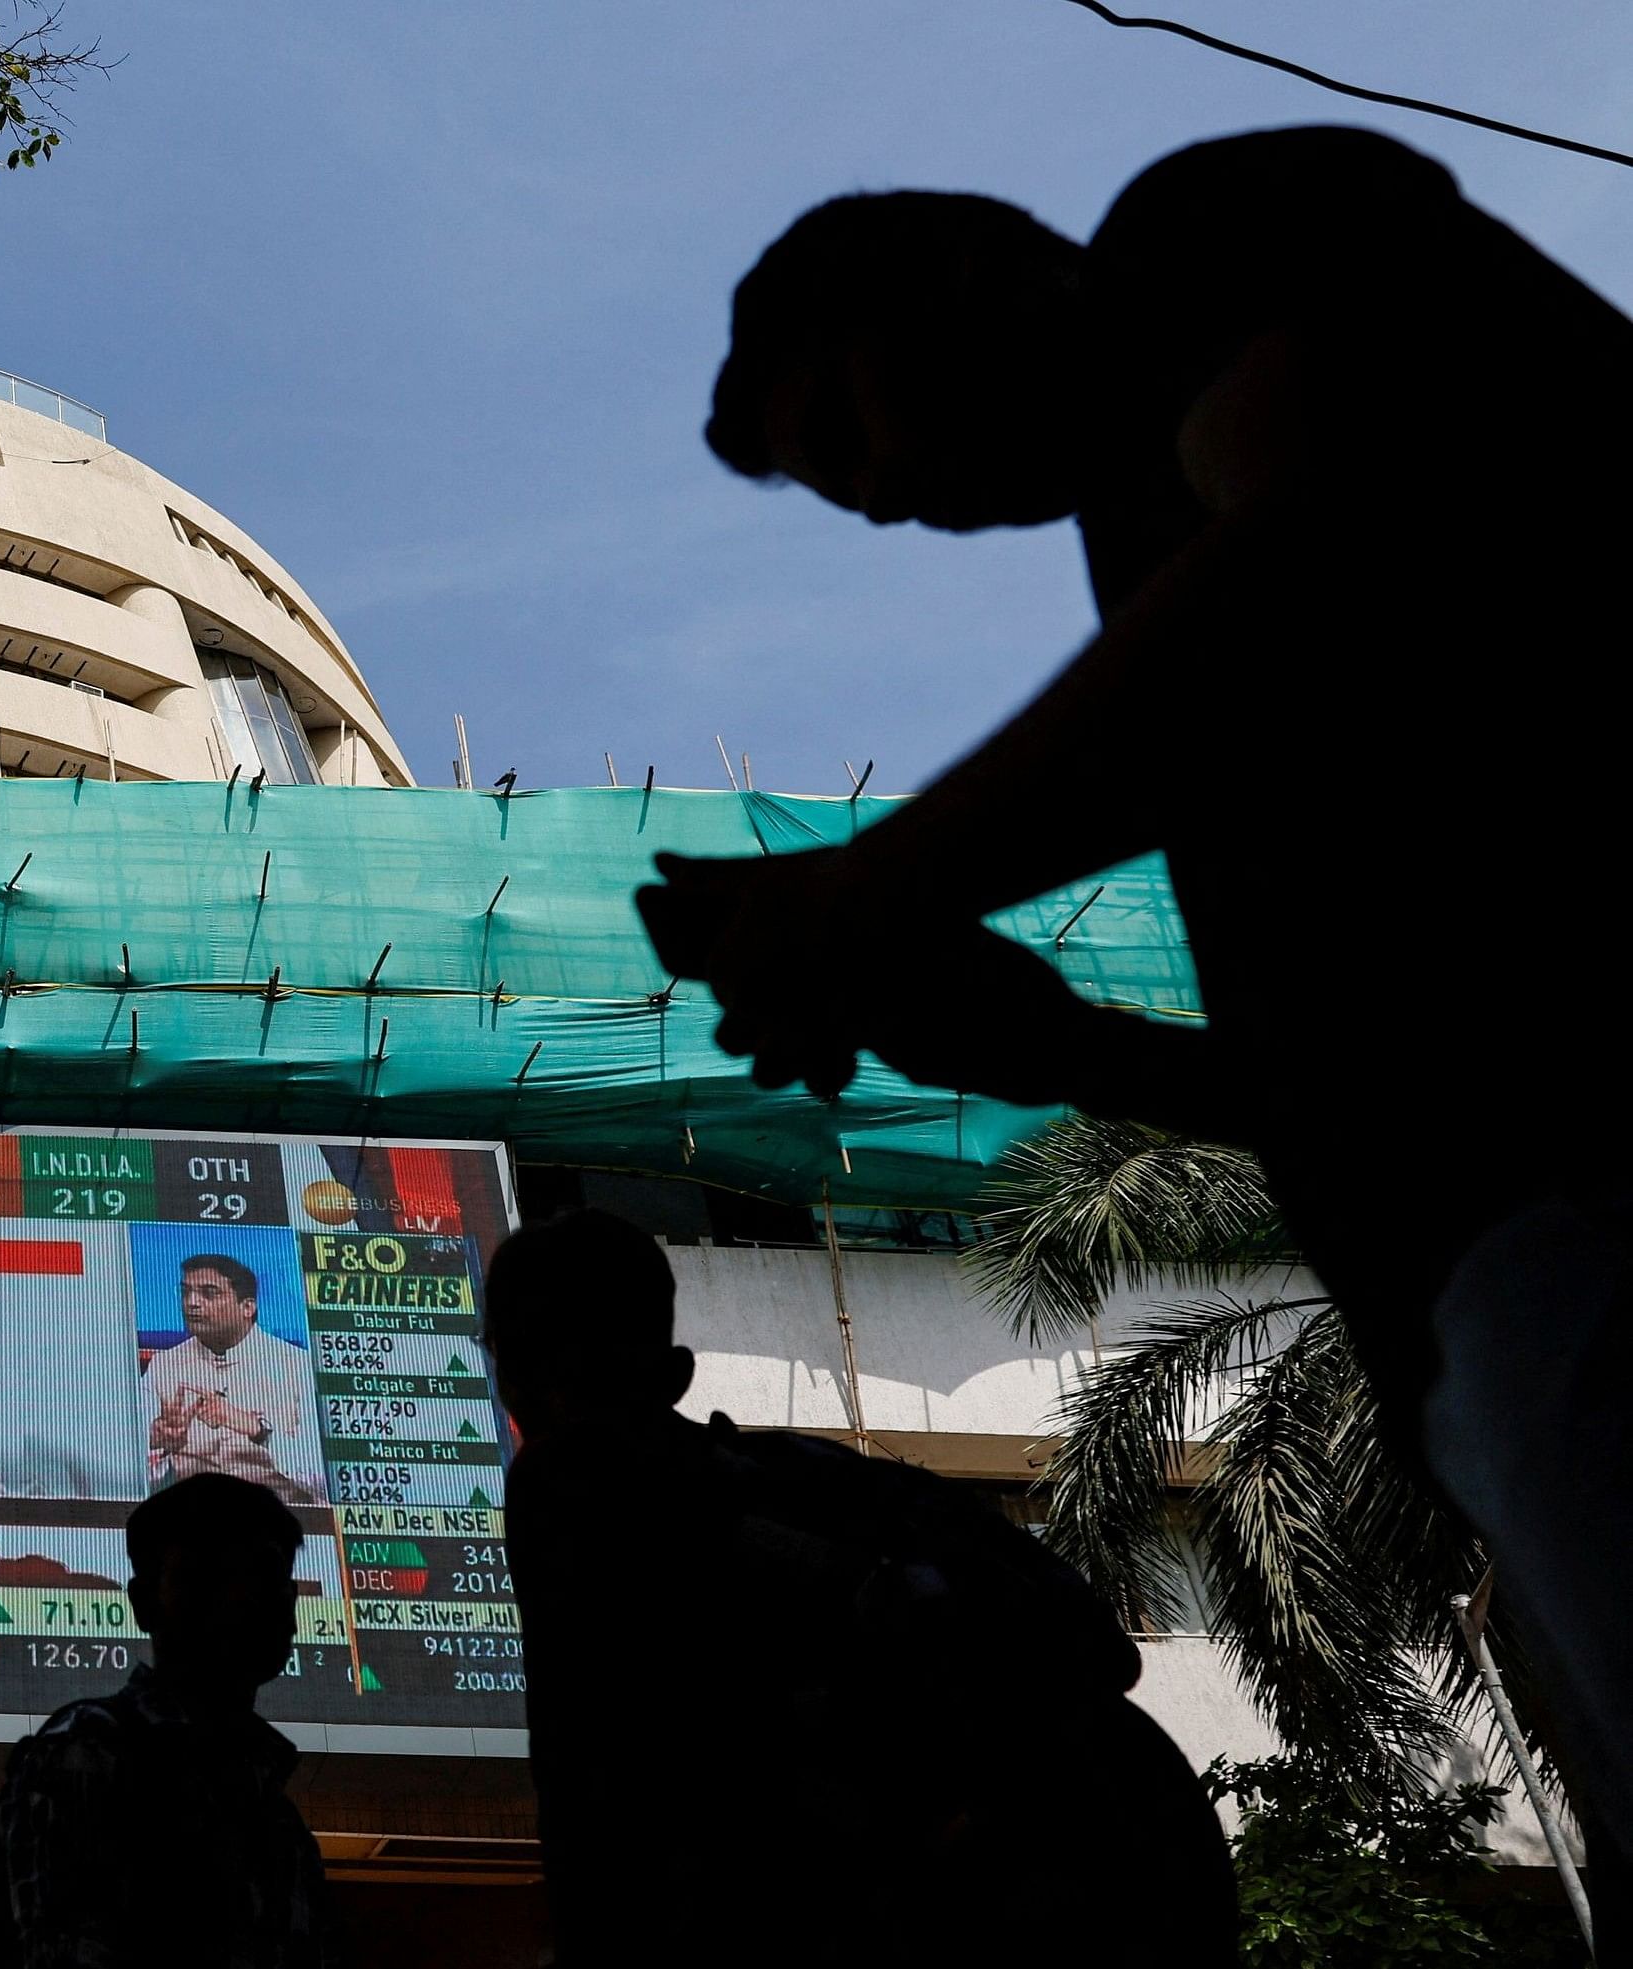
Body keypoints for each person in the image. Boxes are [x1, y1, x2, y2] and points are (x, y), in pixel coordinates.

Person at [640, 125, 1633, 1845]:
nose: (893, 499)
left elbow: (1326, 561)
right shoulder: (1150, 538)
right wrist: (1065, 1041)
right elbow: (1369, 1077)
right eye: (853, 494)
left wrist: (864, 900)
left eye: (856, 430)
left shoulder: (1205, 231)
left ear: (954, 267)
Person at [492, 1211, 1234, 1968]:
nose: (573, 1438)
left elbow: (1091, 1647)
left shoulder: (803, 1502)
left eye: (586, 1382)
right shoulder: (826, 1496)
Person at [0, 1473, 330, 1969]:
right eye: (214, 1575)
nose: (247, 1598)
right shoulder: (89, 1751)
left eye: (267, 1574)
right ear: (144, 1602)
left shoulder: (281, 1822)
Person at [140, 1254, 325, 1503]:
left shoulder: (297, 1366)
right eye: (185, 1292)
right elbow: (132, 1476)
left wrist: (260, 1432)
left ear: (248, 1307)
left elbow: (327, 1481)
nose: (192, 1303)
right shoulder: (164, 1366)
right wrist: (154, 1443)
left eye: (209, 1293)